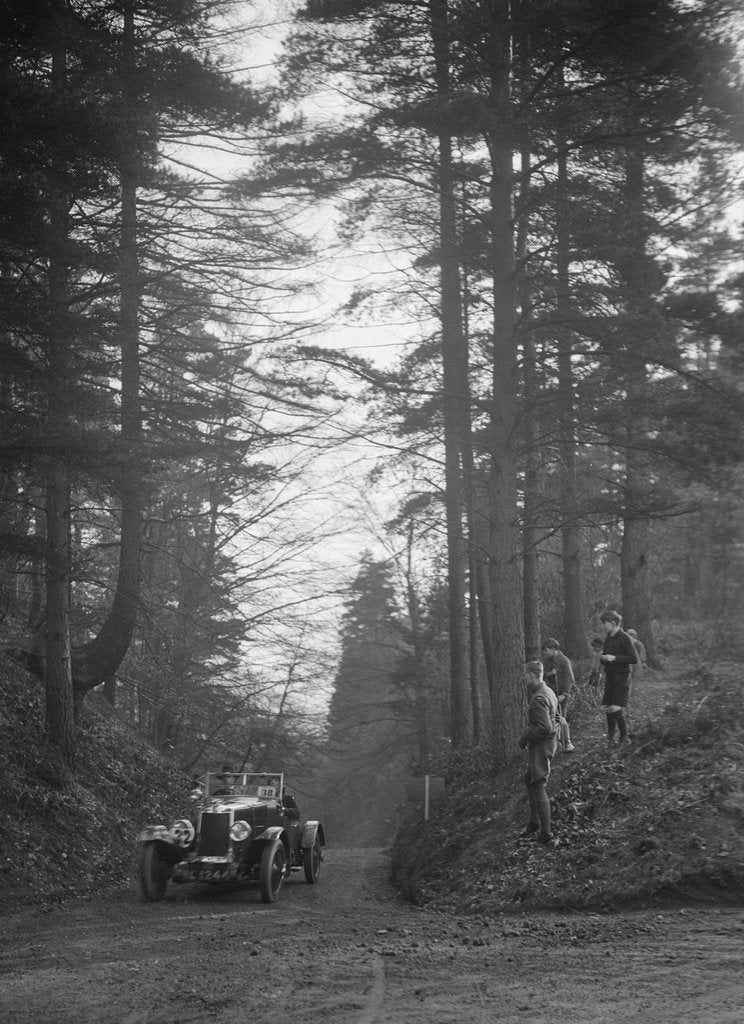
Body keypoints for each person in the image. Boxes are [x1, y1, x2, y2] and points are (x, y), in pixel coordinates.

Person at [518, 660, 560, 846]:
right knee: (530, 779)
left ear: (533, 675)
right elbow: (555, 718)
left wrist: (527, 736)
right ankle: (534, 823)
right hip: (548, 743)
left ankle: (546, 833)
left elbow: (544, 728)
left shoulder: (539, 698)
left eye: (526, 675)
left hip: (542, 745)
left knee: (538, 783)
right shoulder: (548, 691)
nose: (524, 678)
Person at [599, 610, 638, 747]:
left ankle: (624, 738)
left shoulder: (625, 638)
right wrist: (604, 659)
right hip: (610, 676)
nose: (603, 626)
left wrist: (614, 658)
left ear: (613, 623)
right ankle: (611, 739)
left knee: (615, 707)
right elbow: (605, 657)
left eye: (605, 623)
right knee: (609, 708)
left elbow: (633, 659)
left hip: (622, 676)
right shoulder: (608, 638)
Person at [541, 638, 576, 752]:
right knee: (552, 718)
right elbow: (543, 674)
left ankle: (567, 742)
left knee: (561, 717)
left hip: (561, 693)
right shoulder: (547, 661)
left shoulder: (564, 661)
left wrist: (564, 694)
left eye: (546, 650)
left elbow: (570, 678)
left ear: (553, 649)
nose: (545, 653)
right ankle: (556, 743)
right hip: (551, 693)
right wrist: (551, 673)